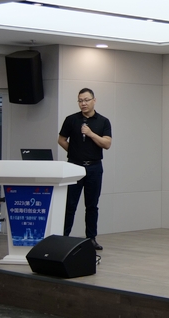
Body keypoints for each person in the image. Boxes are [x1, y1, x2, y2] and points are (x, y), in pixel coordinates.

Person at [58, 88, 112, 250]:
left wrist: (91, 134)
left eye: (86, 100)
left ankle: (91, 238)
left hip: (94, 167)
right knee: (70, 204)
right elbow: (61, 140)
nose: (83, 103)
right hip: (74, 166)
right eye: (80, 100)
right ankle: (63, 237)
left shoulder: (103, 121)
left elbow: (107, 144)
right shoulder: (71, 120)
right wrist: (74, 152)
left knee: (92, 205)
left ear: (94, 100)